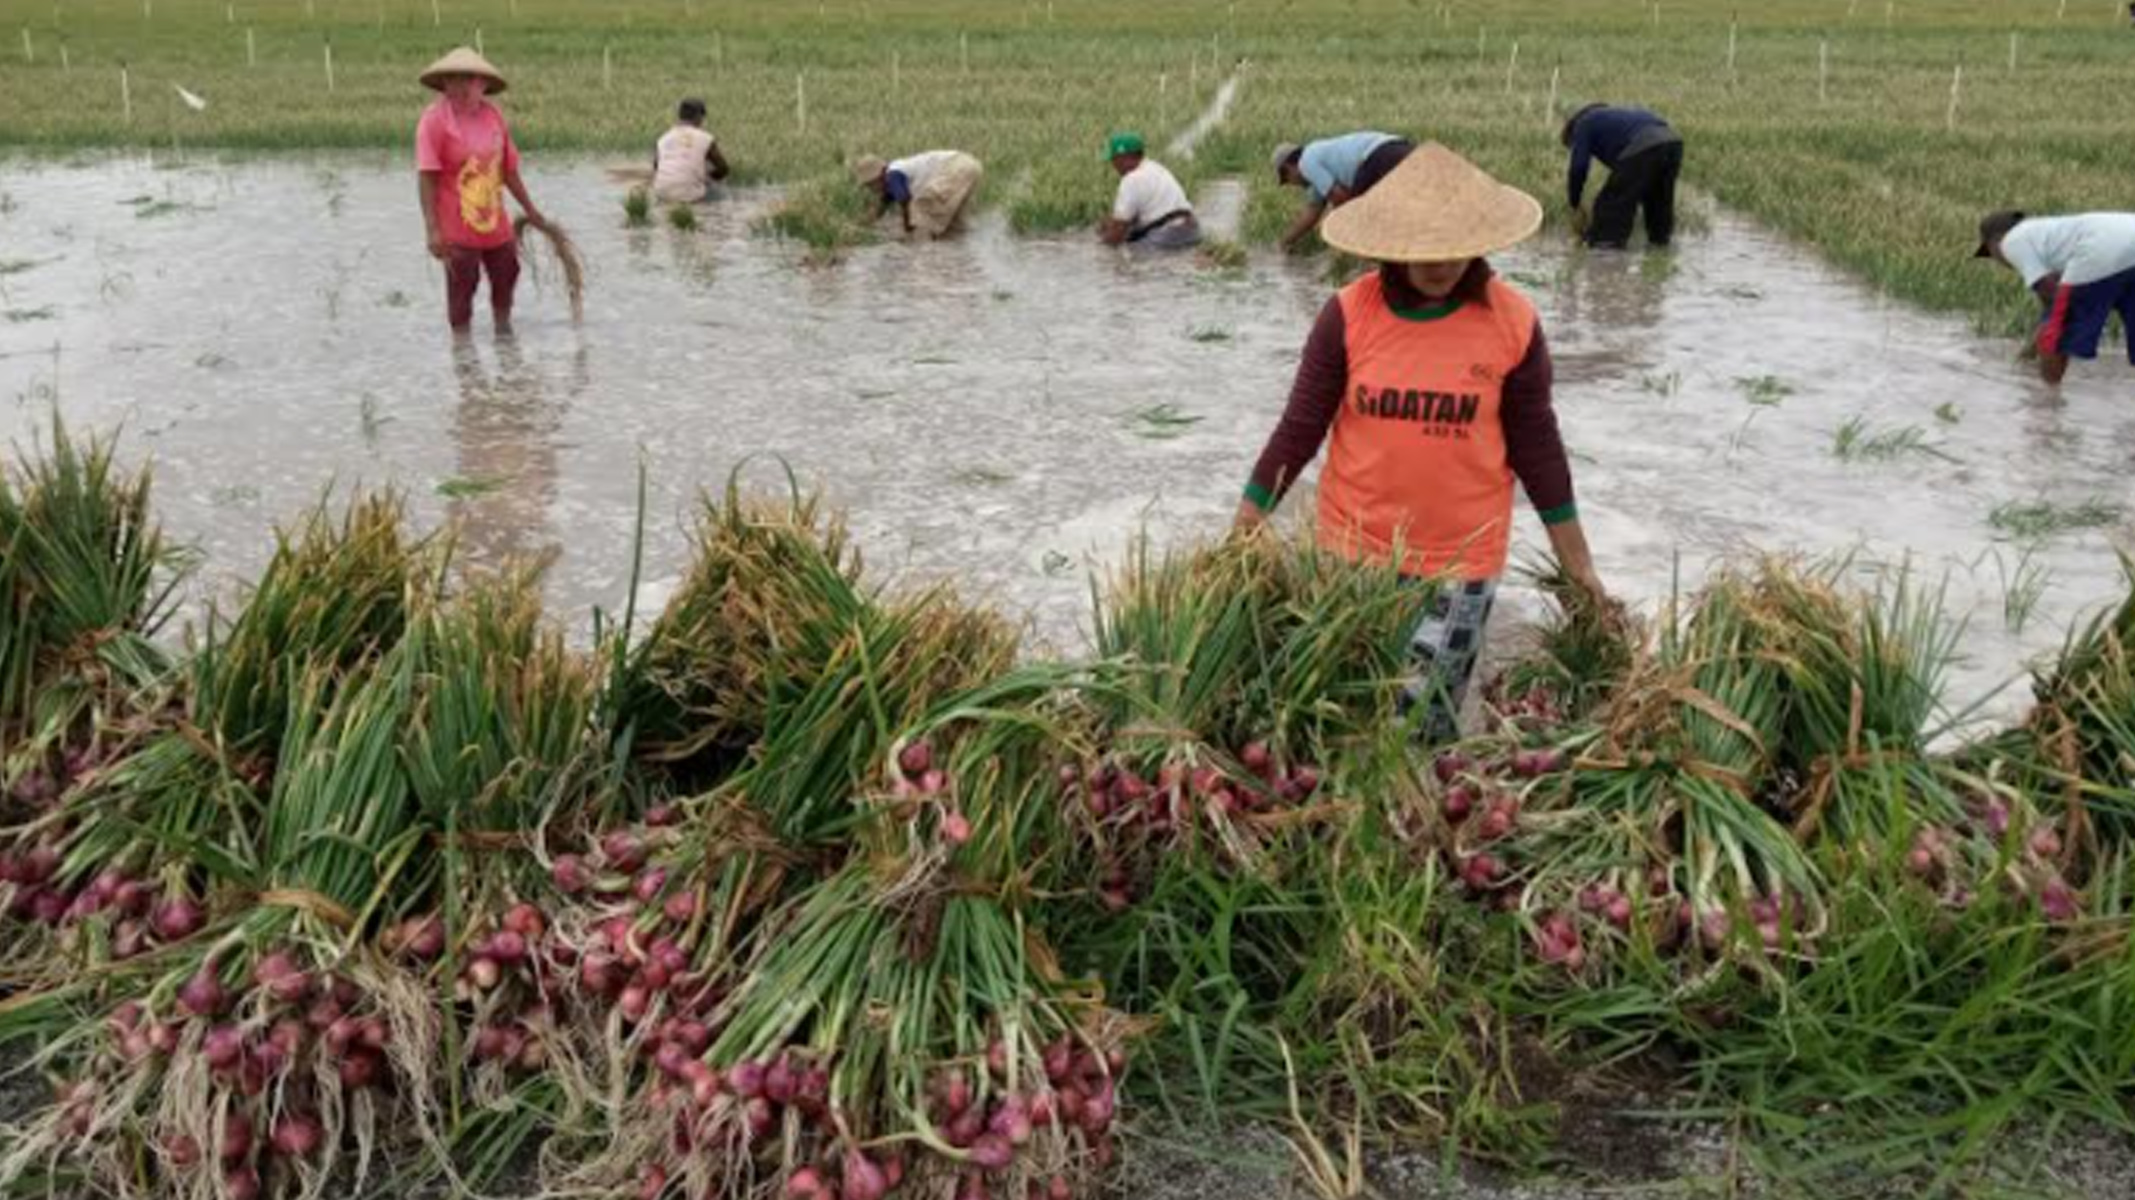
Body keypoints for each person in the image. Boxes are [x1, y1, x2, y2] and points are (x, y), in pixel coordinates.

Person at [1234, 143, 1606, 742]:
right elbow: (1300, 427)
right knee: (1345, 725)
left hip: (1460, 565)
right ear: (1391, 244)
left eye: (1456, 246)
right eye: (1423, 247)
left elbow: (1538, 448)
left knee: (1421, 730)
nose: (1440, 262)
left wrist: (1580, 567)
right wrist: (1246, 523)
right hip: (1350, 556)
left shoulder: (1512, 323)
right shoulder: (1348, 316)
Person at [416, 47, 551, 334]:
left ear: (483, 84)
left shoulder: (493, 117)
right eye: (453, 79)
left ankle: (503, 334)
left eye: (469, 79)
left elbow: (508, 170)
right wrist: (432, 230)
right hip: (456, 224)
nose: (460, 86)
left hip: (494, 220)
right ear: (443, 83)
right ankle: (463, 357)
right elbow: (427, 176)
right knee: (463, 284)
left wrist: (531, 210)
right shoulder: (434, 120)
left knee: (508, 272)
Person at [1975, 209, 2135, 385]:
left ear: (1994, 242)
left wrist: (2031, 352)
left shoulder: (2011, 241)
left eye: (1990, 253)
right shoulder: (2047, 233)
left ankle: (2047, 399)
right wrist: (2028, 353)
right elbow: (2052, 303)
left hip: (2101, 249)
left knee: (2055, 336)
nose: (1998, 261)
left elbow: (2053, 300)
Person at [1561, 103, 1683, 250]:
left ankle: (1605, 254)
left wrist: (1574, 201)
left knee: (1611, 204)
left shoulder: (1583, 124)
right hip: (1673, 142)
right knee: (1658, 201)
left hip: (1645, 143)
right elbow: (1629, 172)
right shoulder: (1615, 118)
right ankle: (1660, 247)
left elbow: (1578, 167)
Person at [1271, 131, 1414, 251]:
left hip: (1379, 155)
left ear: (1288, 167)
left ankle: (1361, 266)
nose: (1293, 185)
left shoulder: (1306, 162)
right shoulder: (1317, 162)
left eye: (1287, 180)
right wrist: (1283, 244)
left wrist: (1335, 231)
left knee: (1361, 219)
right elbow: (1312, 213)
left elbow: (1340, 198)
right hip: (1402, 147)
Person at [852, 150, 985, 239]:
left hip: (955, 167)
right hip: (969, 165)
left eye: (870, 185)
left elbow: (905, 200)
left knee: (923, 216)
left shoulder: (893, 174)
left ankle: (922, 259)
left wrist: (907, 227)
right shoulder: (892, 178)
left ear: (878, 176)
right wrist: (862, 226)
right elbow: (880, 209)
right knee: (953, 227)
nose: (871, 189)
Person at [1099, 132, 1200, 250]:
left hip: (1168, 235)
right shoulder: (1156, 167)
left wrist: (1101, 248)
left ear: (1124, 158)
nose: (1113, 165)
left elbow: (1118, 232)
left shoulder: (1130, 180)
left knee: (1131, 256)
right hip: (1193, 230)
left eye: (1114, 159)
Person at [651, 98, 730, 204]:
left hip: (661, 192)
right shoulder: (706, 138)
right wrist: (708, 178)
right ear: (699, 117)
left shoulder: (663, 138)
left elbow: (657, 167)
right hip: (690, 195)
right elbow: (723, 169)